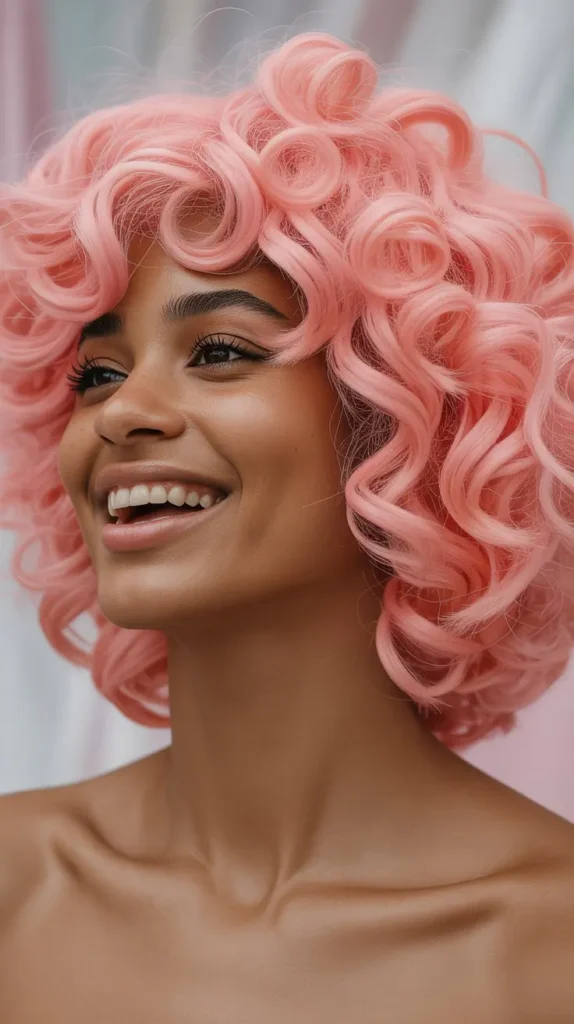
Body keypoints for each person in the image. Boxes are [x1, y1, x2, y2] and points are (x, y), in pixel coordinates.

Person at [1, 30, 573, 1023]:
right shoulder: (18, 885)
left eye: (219, 351)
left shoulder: (545, 950)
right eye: (96, 372)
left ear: (406, 419)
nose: (122, 412)